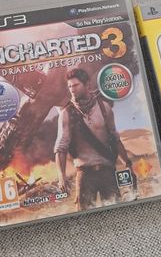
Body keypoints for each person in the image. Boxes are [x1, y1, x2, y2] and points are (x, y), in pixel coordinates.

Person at [54, 68, 136, 210]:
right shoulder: (66, 113)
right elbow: (61, 147)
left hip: (108, 172)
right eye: (69, 86)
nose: (72, 89)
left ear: (87, 85)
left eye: (75, 85)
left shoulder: (105, 108)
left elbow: (115, 138)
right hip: (84, 174)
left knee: (116, 212)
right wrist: (61, 176)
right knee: (84, 217)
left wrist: (128, 165)